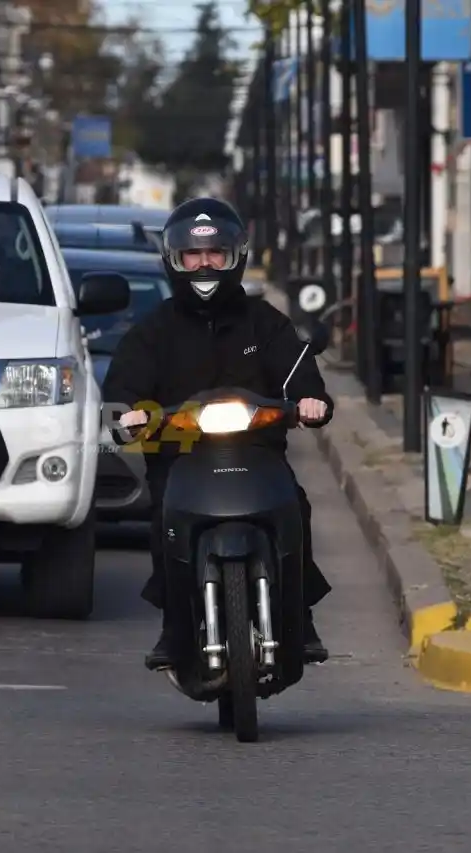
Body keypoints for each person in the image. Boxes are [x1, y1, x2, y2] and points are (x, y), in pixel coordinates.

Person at [100, 197, 335, 671]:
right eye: (193, 255)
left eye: (215, 255)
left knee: (297, 505)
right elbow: (121, 391)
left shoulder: (264, 322)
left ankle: (301, 612)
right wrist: (127, 417)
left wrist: (312, 401)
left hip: (256, 450)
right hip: (180, 456)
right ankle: (172, 626)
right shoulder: (153, 331)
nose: (204, 264)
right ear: (174, 260)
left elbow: (299, 374)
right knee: (163, 514)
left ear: (235, 258)